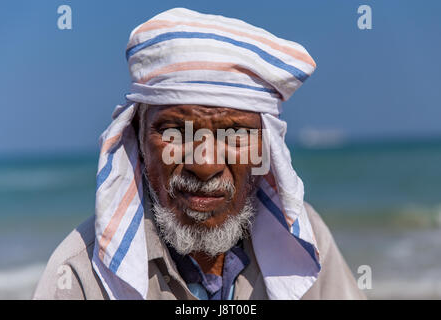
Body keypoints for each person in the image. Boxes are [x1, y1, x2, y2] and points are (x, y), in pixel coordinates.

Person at [33, 8, 365, 300]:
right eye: (174, 131)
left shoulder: (306, 242)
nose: (204, 165)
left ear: (265, 149)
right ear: (136, 137)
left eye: (235, 134)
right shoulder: (79, 275)